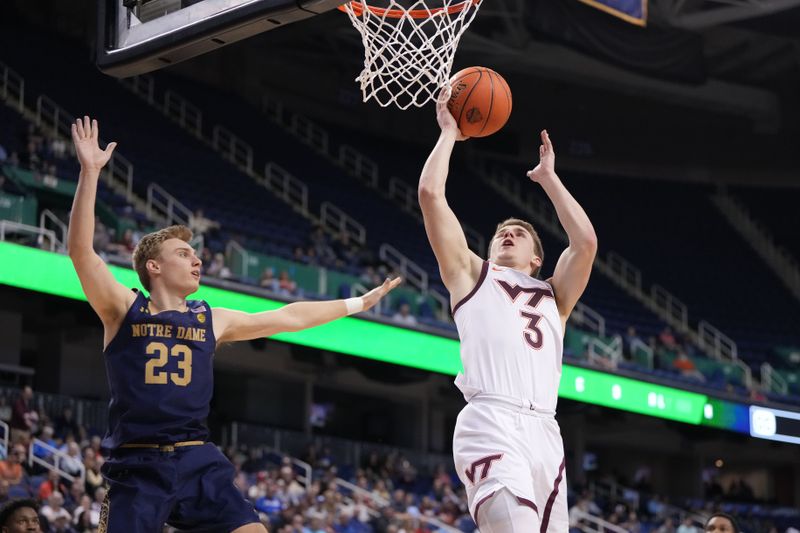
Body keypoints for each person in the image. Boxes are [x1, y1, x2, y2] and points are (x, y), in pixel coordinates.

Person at [67, 116, 401, 533]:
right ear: (153, 266)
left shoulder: (212, 319)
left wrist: (356, 303)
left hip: (196, 458)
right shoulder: (122, 308)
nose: (197, 260)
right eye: (184, 253)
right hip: (137, 463)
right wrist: (90, 171)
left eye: (196, 255)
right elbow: (81, 252)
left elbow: (287, 317)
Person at [418, 101, 597, 533]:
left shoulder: (556, 296)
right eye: (502, 232)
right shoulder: (470, 274)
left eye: (519, 233)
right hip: (491, 421)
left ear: (537, 258)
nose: (508, 233)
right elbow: (430, 195)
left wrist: (549, 180)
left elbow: (586, 241)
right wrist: (448, 135)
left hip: (546, 435)